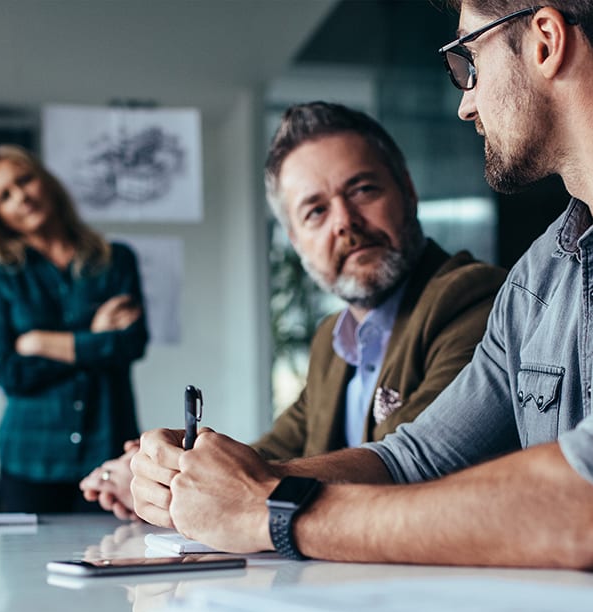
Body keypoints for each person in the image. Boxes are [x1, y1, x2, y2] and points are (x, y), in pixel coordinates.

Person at [81, 102, 506, 518]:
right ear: (295, 239)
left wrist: (209, 485)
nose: (344, 221)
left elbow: (416, 463)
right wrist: (169, 468)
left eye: (363, 190)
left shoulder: (470, 299)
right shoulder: (331, 339)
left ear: (408, 191)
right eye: (316, 211)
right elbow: (274, 450)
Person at [0, 145, 148, 512]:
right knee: (18, 569)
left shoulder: (116, 261)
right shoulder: (2, 280)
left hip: (107, 452)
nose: (21, 198)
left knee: (112, 559)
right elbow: (9, 371)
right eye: (4, 196)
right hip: (29, 459)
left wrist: (39, 342)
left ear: (45, 182)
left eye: (24, 180)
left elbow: (130, 344)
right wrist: (94, 337)